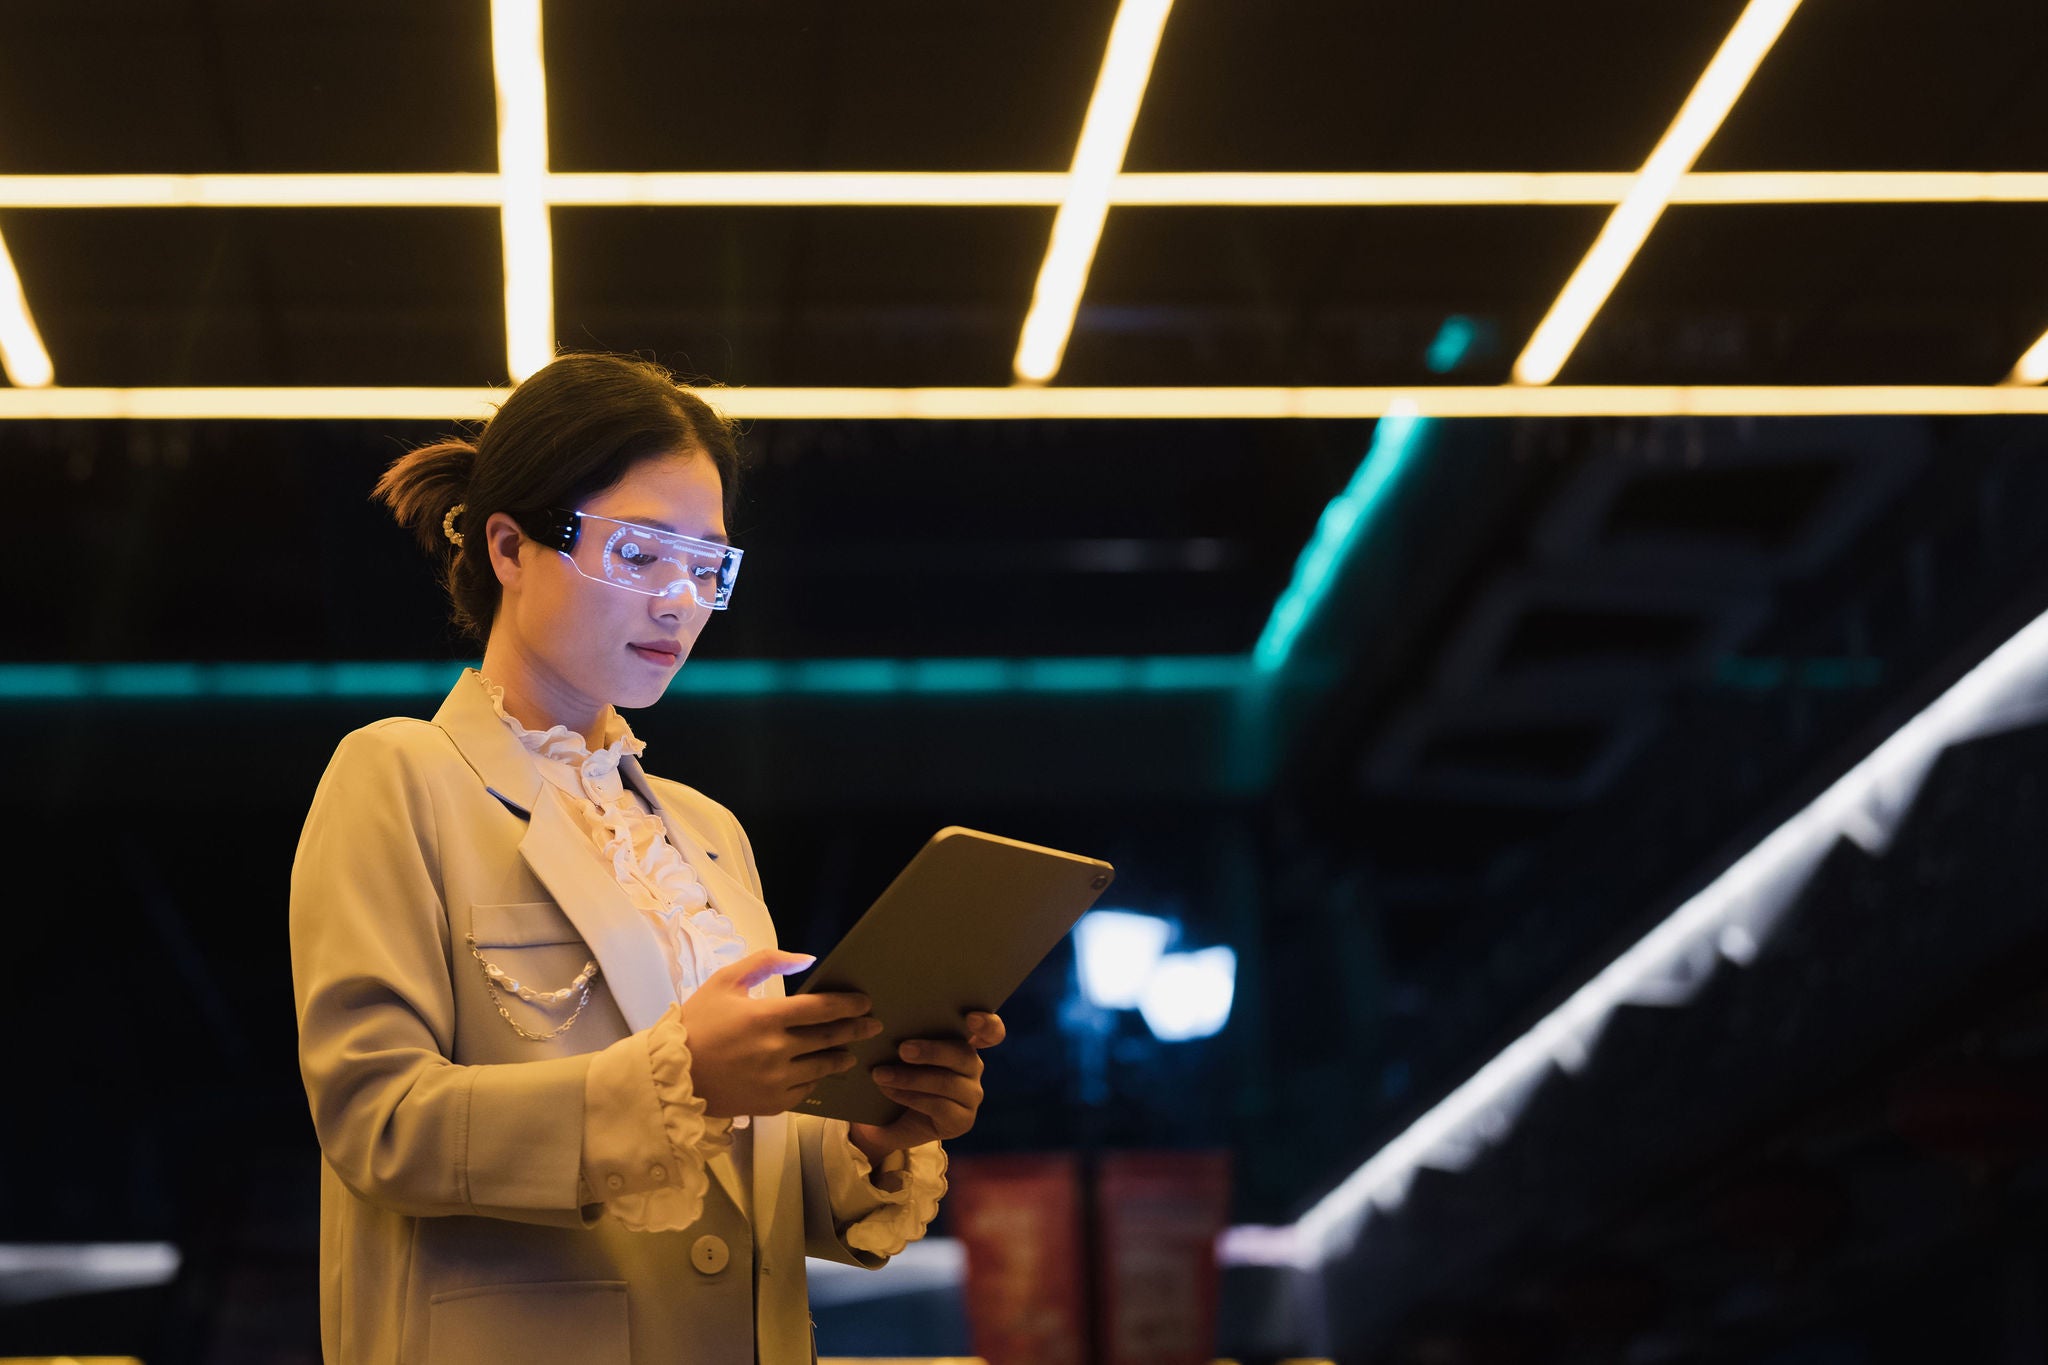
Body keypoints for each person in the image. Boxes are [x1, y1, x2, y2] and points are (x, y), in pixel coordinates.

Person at [288, 352, 1004, 1364]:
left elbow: (739, 1184)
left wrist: (873, 1132)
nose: (680, 602)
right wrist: (684, 1081)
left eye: (707, 566)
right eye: (638, 554)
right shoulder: (401, 775)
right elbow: (378, 1123)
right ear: (509, 546)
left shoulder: (708, 834)